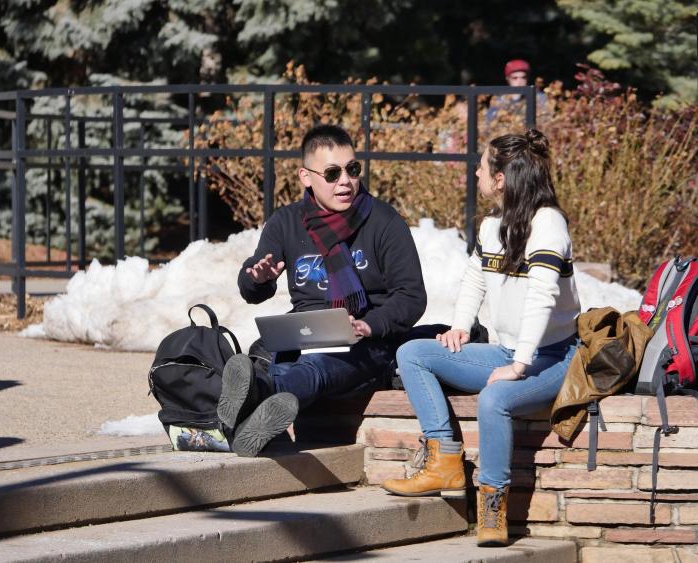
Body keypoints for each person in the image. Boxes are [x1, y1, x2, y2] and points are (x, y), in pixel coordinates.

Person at [381, 129, 580, 548]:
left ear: (503, 176)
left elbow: (542, 298)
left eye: (481, 166)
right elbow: (476, 276)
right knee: (413, 353)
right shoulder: (493, 225)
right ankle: (445, 459)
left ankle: (493, 506)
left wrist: (519, 366)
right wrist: (459, 325)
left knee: (495, 399)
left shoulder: (549, 224)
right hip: (508, 350)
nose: (476, 174)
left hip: (554, 357)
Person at [218, 124, 427, 458]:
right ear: (306, 177)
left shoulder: (384, 222)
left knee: (316, 368)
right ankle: (249, 422)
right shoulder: (286, 222)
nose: (345, 180)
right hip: (302, 332)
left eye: (352, 170)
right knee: (263, 359)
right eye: (332, 173)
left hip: (367, 342)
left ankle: (265, 393)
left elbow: (412, 296)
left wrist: (369, 325)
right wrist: (257, 278)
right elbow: (251, 290)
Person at [486, 59, 549, 125]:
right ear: (507, 79)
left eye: (523, 77)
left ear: (527, 78)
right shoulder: (499, 101)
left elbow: (547, 122)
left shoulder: (539, 98)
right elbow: (489, 124)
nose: (519, 82)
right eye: (515, 78)